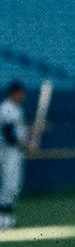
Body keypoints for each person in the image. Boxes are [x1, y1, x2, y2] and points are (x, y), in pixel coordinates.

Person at [0, 82, 29, 230]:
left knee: (13, 187)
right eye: (21, 93)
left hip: (15, 152)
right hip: (8, 152)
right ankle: (3, 219)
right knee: (9, 186)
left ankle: (8, 219)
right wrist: (25, 144)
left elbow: (18, 132)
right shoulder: (7, 108)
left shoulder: (16, 109)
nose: (23, 96)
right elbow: (9, 135)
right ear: (14, 93)